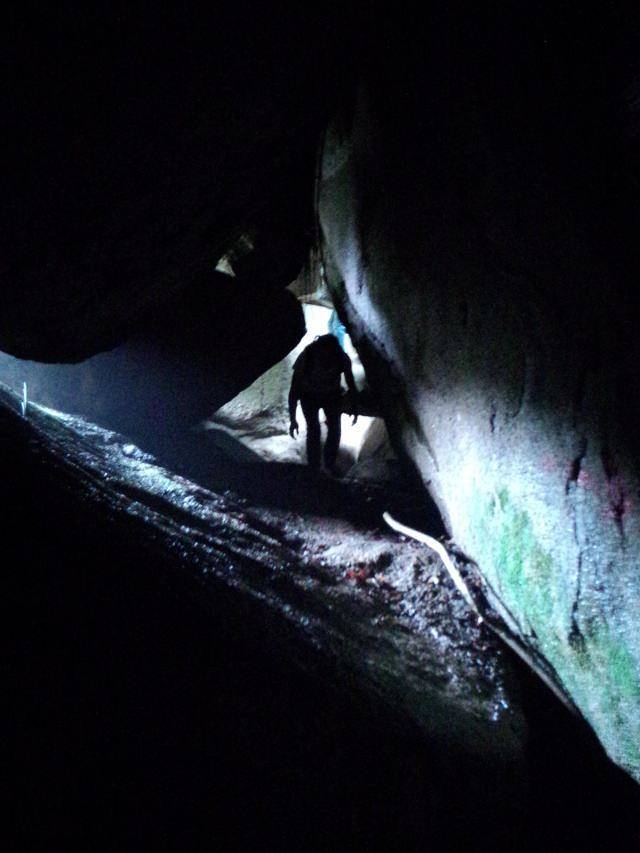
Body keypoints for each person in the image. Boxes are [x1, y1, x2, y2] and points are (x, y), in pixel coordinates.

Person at [288, 333, 358, 474]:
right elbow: (294, 389)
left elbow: (351, 383)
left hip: (331, 395)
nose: (326, 359)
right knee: (314, 430)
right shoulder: (307, 356)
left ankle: (329, 464)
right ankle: (314, 467)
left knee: (335, 429)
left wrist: (355, 406)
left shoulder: (341, 357)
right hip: (309, 396)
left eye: (329, 356)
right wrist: (293, 419)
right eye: (323, 356)